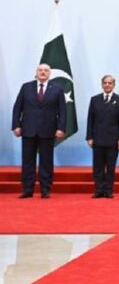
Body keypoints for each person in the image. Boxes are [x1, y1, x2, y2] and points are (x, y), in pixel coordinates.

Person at [12, 64, 66, 199]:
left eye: (46, 70)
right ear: (36, 72)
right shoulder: (26, 87)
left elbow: (63, 111)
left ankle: (45, 190)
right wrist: (16, 125)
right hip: (28, 129)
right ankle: (27, 190)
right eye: (40, 70)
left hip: (48, 130)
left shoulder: (57, 88)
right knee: (27, 161)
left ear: (49, 73)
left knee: (46, 161)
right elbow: (17, 107)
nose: (43, 72)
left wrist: (61, 128)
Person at [85, 75, 119, 198]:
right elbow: (90, 120)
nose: (107, 85)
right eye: (105, 83)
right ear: (102, 84)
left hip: (113, 140)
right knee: (98, 167)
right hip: (97, 139)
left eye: (110, 83)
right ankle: (98, 190)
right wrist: (89, 137)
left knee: (110, 167)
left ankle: (108, 190)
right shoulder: (95, 99)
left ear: (114, 85)